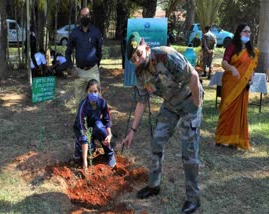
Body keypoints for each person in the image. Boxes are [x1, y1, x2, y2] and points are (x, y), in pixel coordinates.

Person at [122, 32, 203, 214]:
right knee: (157, 140)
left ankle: (193, 199)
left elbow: (194, 77)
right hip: (171, 105)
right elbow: (141, 102)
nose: (137, 58)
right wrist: (132, 130)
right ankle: (154, 185)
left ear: (147, 48)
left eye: (139, 53)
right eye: (133, 58)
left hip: (190, 101)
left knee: (189, 152)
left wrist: (196, 106)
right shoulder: (140, 74)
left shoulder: (166, 56)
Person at [214, 24, 259, 150]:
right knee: (227, 109)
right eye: (245, 31)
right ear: (239, 32)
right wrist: (232, 68)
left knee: (240, 112)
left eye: (249, 32)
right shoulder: (232, 46)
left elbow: (252, 68)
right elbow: (224, 62)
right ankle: (222, 139)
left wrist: (251, 77)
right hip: (230, 83)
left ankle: (235, 140)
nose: (248, 34)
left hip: (243, 85)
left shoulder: (252, 51)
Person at [73, 79, 116, 169]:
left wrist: (109, 134)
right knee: (89, 149)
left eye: (95, 91)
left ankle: (110, 154)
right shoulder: (83, 106)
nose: (93, 94)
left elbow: (107, 120)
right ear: (87, 92)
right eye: (90, 91)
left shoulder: (102, 102)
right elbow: (83, 129)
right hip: (82, 129)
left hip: (94, 127)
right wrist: (85, 161)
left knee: (99, 126)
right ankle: (78, 148)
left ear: (99, 92)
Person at [65, 7, 102, 104]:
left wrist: (96, 65)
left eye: (86, 15)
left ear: (90, 16)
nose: (84, 17)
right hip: (79, 72)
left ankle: (96, 119)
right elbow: (68, 52)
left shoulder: (96, 32)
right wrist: (71, 68)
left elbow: (99, 51)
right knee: (79, 102)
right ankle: (80, 119)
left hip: (92, 71)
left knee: (96, 99)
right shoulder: (74, 33)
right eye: (82, 15)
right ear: (79, 17)